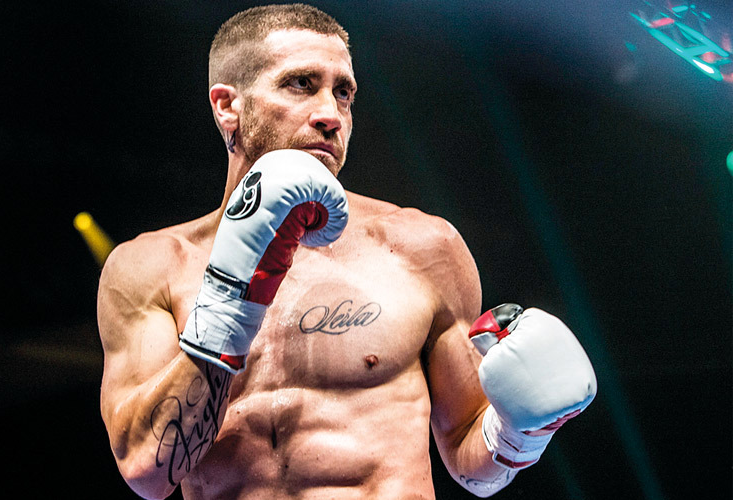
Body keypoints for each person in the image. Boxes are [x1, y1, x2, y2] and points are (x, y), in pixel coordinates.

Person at [97, 4, 597, 499]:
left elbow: (469, 458)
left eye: (343, 93)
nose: (331, 116)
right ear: (228, 106)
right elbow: (146, 471)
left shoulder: (421, 247)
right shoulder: (150, 267)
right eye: (301, 84)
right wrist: (229, 299)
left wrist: (519, 435)